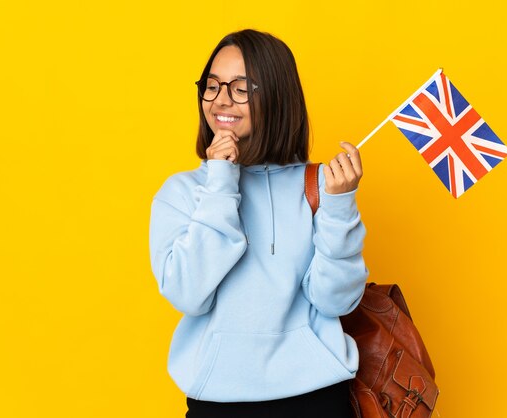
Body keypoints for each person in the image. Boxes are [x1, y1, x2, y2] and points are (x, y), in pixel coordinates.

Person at [149, 29, 368, 418]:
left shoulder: (320, 185)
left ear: (276, 94)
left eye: (240, 88)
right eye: (212, 86)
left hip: (317, 397)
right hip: (218, 402)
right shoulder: (183, 191)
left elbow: (336, 299)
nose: (220, 100)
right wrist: (220, 182)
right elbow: (187, 293)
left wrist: (339, 205)